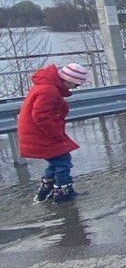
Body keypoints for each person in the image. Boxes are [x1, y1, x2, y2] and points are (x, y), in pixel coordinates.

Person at [17, 61, 88, 203]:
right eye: (76, 84)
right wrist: (56, 134)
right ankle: (62, 193)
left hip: (36, 134)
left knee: (56, 161)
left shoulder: (45, 87)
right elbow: (41, 117)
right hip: (42, 135)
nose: (75, 88)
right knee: (63, 162)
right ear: (69, 80)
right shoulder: (49, 90)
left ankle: (46, 190)